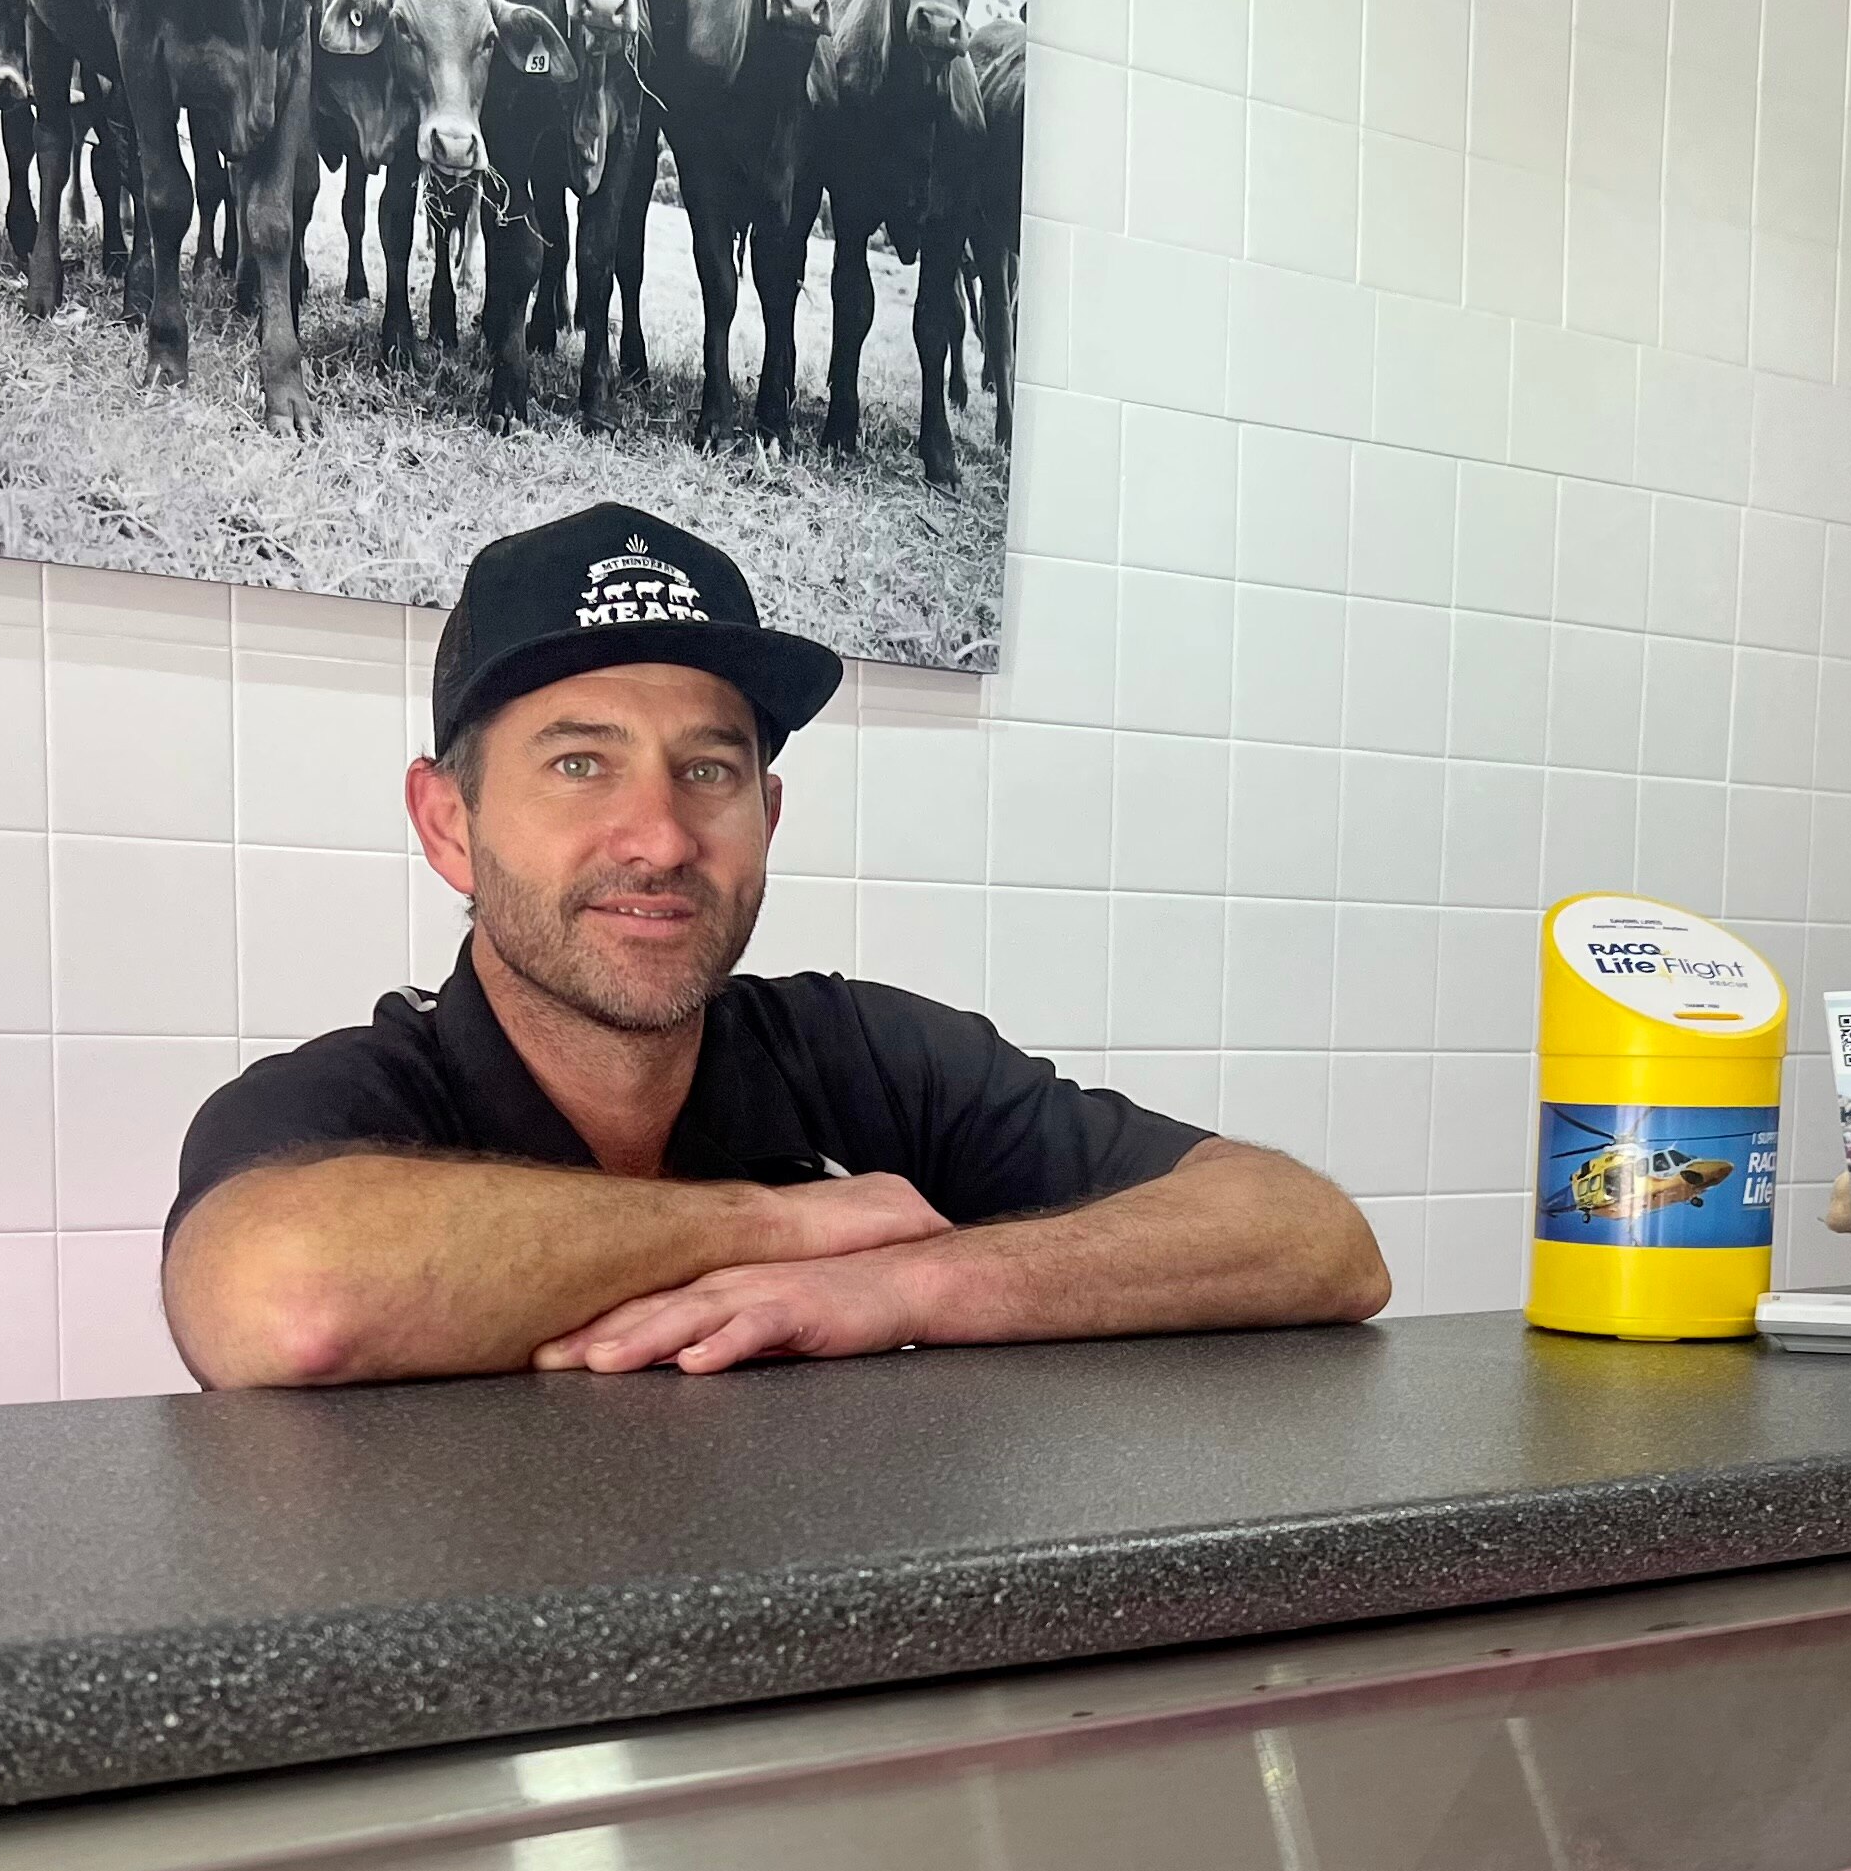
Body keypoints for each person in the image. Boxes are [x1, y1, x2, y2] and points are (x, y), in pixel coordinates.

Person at [164, 504, 1389, 1388]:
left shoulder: (874, 1058)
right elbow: (281, 1297)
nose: (657, 835)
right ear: (449, 823)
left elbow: (1310, 1237)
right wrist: (782, 1228)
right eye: (580, 763)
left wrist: (912, 1284)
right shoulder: (346, 1107)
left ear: (769, 817)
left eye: (710, 769)